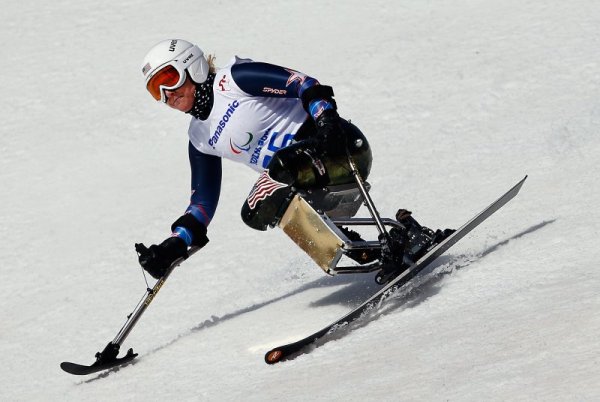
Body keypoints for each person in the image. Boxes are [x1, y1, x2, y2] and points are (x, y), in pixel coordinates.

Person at [135, 39, 373, 279]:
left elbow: (303, 84)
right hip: (306, 186)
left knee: (273, 177)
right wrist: (175, 243)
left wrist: (326, 122)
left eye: (168, 80)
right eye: (157, 90)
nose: (167, 95)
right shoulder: (199, 137)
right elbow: (202, 204)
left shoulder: (233, 81)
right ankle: (373, 253)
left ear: (191, 66)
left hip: (339, 149)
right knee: (255, 211)